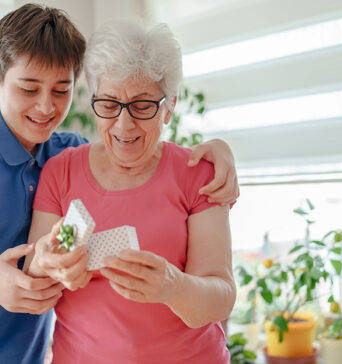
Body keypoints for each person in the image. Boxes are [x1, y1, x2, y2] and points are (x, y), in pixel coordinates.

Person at [0, 4, 239, 364]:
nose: (45, 107)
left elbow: (127, 151)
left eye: (60, 90)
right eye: (28, 88)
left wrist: (220, 148)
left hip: (17, 354)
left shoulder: (62, 153)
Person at [26, 19, 235, 363]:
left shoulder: (198, 174)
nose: (124, 125)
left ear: (169, 106)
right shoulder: (60, 171)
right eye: (109, 104)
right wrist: (49, 263)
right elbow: (35, 271)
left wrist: (172, 286)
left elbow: (221, 297)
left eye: (142, 106)